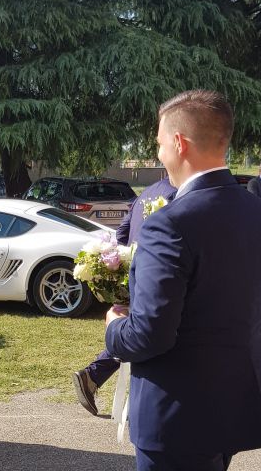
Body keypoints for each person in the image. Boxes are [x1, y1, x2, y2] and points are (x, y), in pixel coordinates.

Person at [105, 90, 261, 471]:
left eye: (158, 144)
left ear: (178, 143)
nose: (158, 155)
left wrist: (114, 327)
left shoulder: (169, 224)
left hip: (176, 416)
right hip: (232, 404)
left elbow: (149, 334)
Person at [72, 177, 176, 415]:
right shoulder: (178, 195)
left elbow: (123, 231)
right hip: (154, 275)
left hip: (133, 272)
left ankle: (93, 376)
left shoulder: (147, 191)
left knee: (134, 330)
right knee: (144, 333)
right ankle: (95, 376)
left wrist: (122, 265)